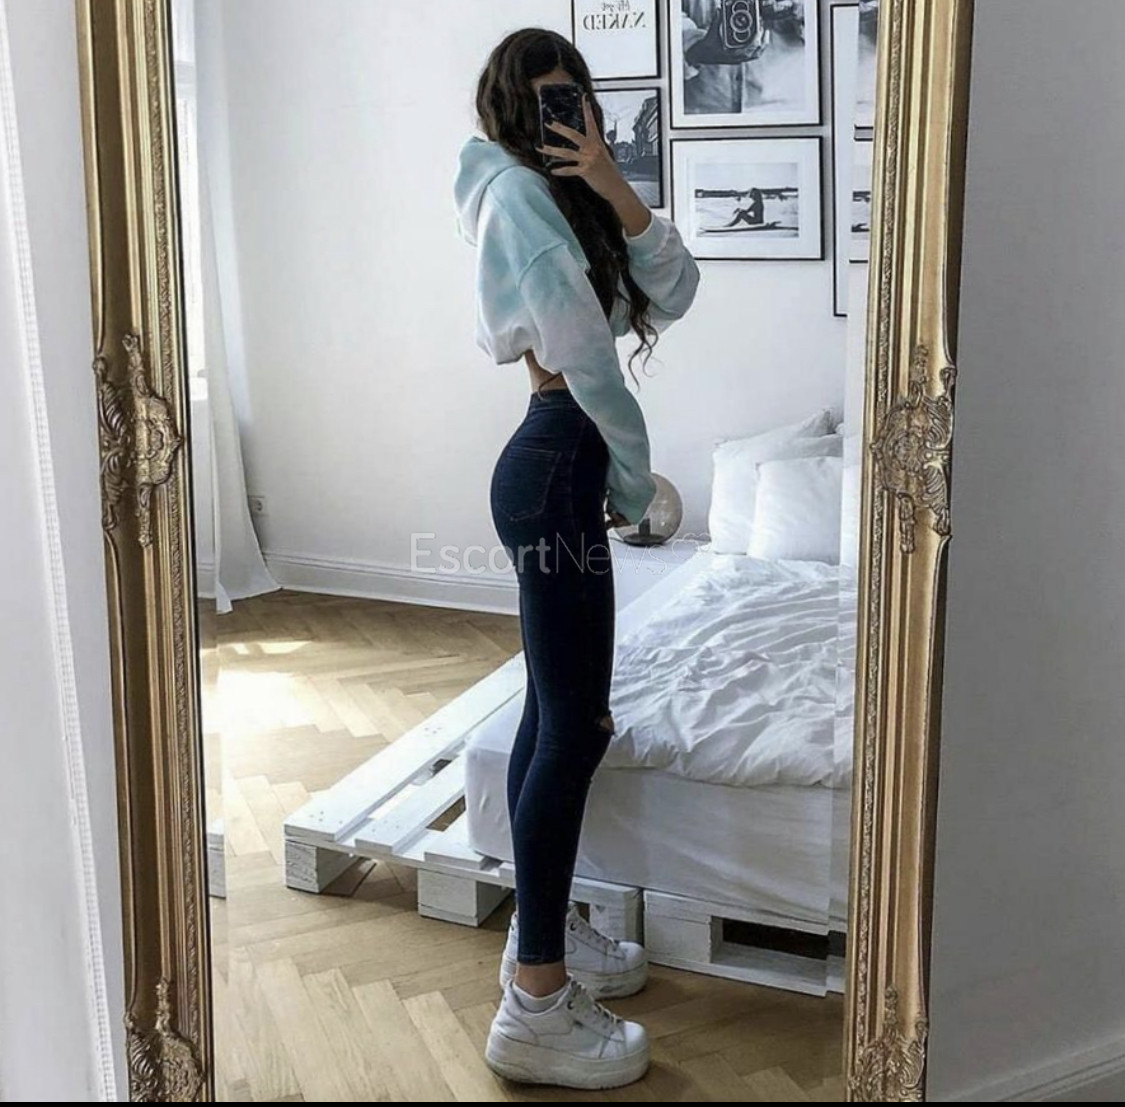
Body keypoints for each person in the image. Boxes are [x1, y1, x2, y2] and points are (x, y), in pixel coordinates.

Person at [454, 28, 699, 1090]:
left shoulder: (569, 195)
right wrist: (636, 482)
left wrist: (608, 177)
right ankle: (536, 1004)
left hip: (558, 458)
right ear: (509, 112)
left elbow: (673, 290)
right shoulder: (516, 199)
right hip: (558, 458)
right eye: (543, 102)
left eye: (575, 97)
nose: (562, 115)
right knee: (577, 724)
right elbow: (587, 358)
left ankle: (536, 938)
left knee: (553, 715)